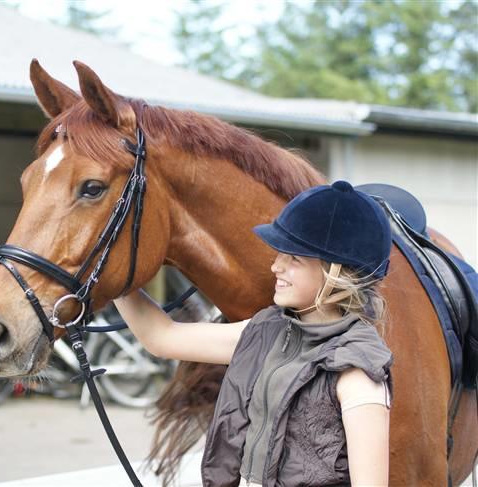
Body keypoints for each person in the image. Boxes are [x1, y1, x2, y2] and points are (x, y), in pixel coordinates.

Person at [113, 180, 393, 487]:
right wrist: (109, 274)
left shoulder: (358, 372)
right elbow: (161, 336)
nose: (276, 266)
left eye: (294, 259)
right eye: (279, 254)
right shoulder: (266, 330)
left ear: (335, 273)